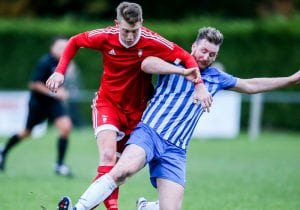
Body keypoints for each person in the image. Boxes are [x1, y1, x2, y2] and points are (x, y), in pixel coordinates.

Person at [56, 26, 300, 210]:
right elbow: (146, 63)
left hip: (176, 150)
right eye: (203, 50)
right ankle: (79, 208)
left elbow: (251, 85)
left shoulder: (215, 77)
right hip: (149, 132)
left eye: (212, 54)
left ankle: (144, 207)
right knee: (122, 171)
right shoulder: (174, 59)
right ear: (194, 47)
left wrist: (290, 79)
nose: (206, 57)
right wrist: (184, 70)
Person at [47, 2, 211, 210]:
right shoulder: (106, 36)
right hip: (108, 104)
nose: (130, 36)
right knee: (107, 155)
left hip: (137, 113)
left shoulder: (152, 40)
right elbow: (74, 41)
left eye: (135, 31)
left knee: (118, 169)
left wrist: (199, 85)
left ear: (141, 23)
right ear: (117, 24)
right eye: (125, 30)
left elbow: (186, 57)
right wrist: (60, 71)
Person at [0, 37, 73, 177]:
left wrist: (62, 91)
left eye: (65, 47)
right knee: (27, 132)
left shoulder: (63, 62)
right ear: (52, 47)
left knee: (66, 127)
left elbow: (58, 84)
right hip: (38, 103)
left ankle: (59, 165)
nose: (62, 50)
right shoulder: (45, 62)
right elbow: (33, 84)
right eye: (59, 47)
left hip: (53, 104)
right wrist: (54, 93)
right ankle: (3, 151)